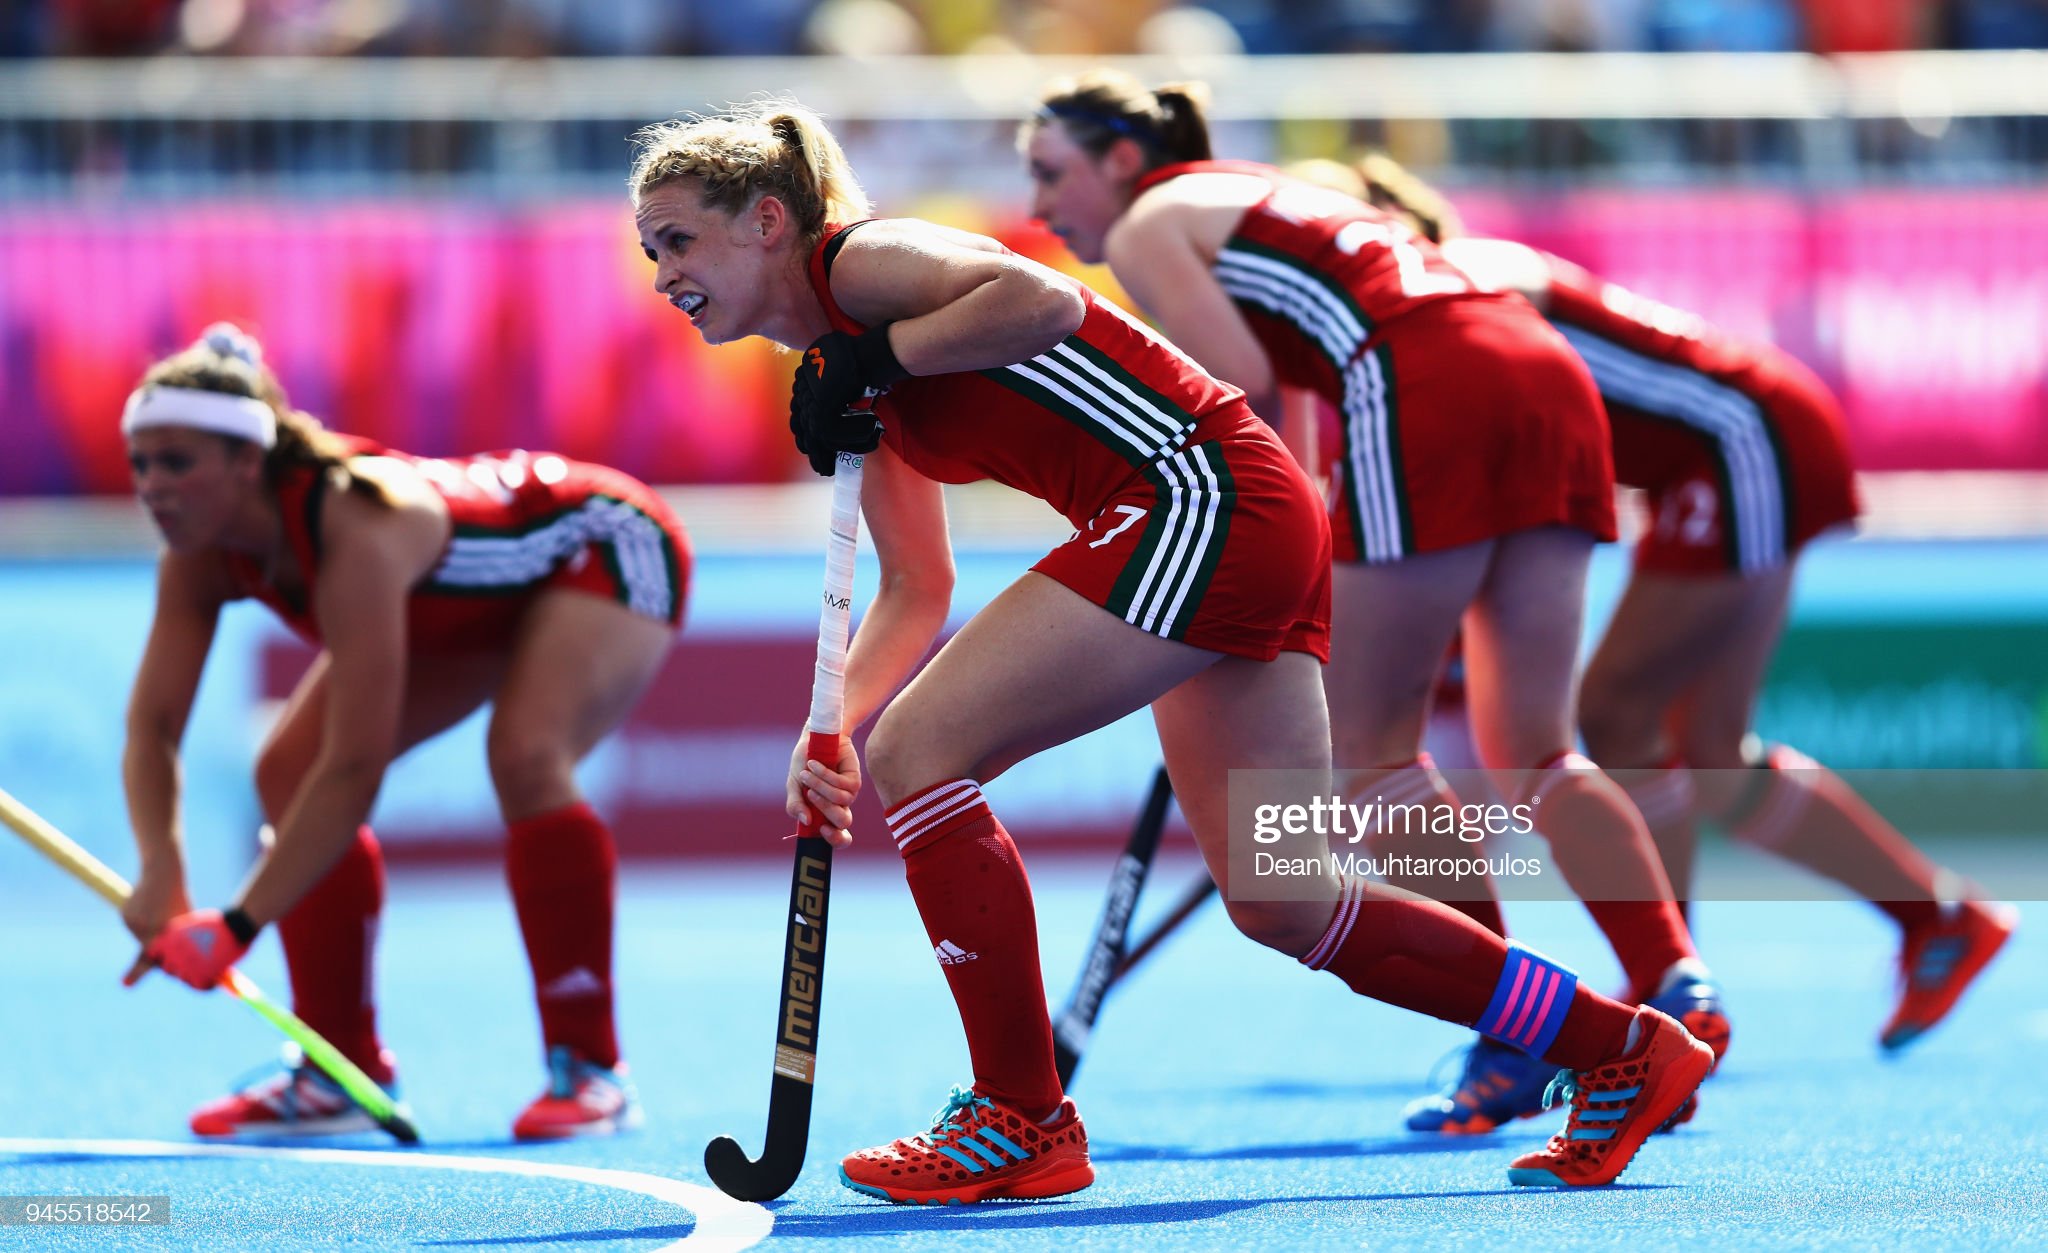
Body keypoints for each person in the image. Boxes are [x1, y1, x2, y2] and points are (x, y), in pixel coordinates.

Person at [628, 99, 1713, 1202]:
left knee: (925, 752)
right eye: (648, 250)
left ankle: (1020, 1114)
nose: (662, 272)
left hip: (1194, 493)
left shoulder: (861, 263)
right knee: (1284, 897)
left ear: (767, 220)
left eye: (677, 239)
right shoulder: (841, 365)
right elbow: (918, 584)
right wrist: (829, 728)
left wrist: (877, 353)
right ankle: (1617, 1043)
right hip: (1234, 509)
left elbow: (1041, 297)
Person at [1020, 71, 1728, 1137]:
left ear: (1121, 159)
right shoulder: (1259, 195)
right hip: (1541, 373)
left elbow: (1244, 392)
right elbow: (1286, 396)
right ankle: (1675, 983)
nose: (1040, 206)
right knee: (1535, 746)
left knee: (1367, 752)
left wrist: (1251, 564)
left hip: (1426, 383)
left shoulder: (1149, 224)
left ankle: (1516, 1031)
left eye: (1049, 172)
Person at [1350, 155, 2019, 1055]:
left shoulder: (1469, 275)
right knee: (1707, 748)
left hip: (1742, 441)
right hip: (1741, 441)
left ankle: (1674, 983)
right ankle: (1934, 915)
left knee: (1616, 712)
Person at [119, 324, 689, 1141]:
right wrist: (159, 872)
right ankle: (339, 1070)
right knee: (285, 768)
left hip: (604, 544)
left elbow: (355, 767)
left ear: (248, 461)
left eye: (176, 462)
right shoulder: (199, 550)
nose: (152, 487)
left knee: (526, 756)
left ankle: (592, 1070)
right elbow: (153, 726)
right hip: (469, 600)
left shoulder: (354, 523)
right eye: (141, 463)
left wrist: (237, 925)